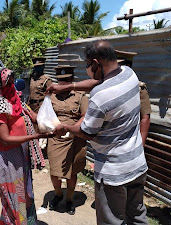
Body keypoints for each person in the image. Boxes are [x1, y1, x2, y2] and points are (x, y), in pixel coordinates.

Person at [52, 41, 148, 224]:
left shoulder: (100, 96)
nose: (88, 70)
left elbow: (87, 132)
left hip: (114, 173)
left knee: (111, 221)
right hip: (137, 164)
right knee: (137, 216)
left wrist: (65, 128)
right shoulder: (130, 74)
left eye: (88, 66)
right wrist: (67, 87)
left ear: (95, 63)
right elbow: (99, 82)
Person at [0, 63, 52, 225]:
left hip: (22, 155)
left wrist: (52, 123)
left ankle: (26, 222)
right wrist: (35, 136)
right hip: (8, 158)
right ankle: (21, 222)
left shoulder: (16, 100)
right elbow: (5, 139)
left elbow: (33, 116)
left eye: (12, 79)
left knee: (25, 193)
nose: (12, 84)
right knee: (17, 196)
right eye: (8, 81)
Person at [46, 50, 151, 145]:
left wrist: (140, 146)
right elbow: (93, 83)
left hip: (125, 144)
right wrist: (65, 87)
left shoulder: (137, 88)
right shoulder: (106, 84)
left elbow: (145, 119)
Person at [46, 66, 89, 215]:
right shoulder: (50, 96)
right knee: (54, 171)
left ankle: (69, 200)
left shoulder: (80, 95)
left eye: (66, 80)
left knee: (72, 172)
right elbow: (44, 114)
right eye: (61, 80)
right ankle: (58, 195)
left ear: (71, 79)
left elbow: (85, 115)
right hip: (56, 138)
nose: (63, 83)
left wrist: (73, 129)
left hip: (74, 138)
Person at [115, 50, 151, 145]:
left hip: (129, 140)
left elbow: (145, 118)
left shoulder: (139, 88)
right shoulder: (108, 86)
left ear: (128, 66)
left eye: (118, 65)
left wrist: (140, 145)